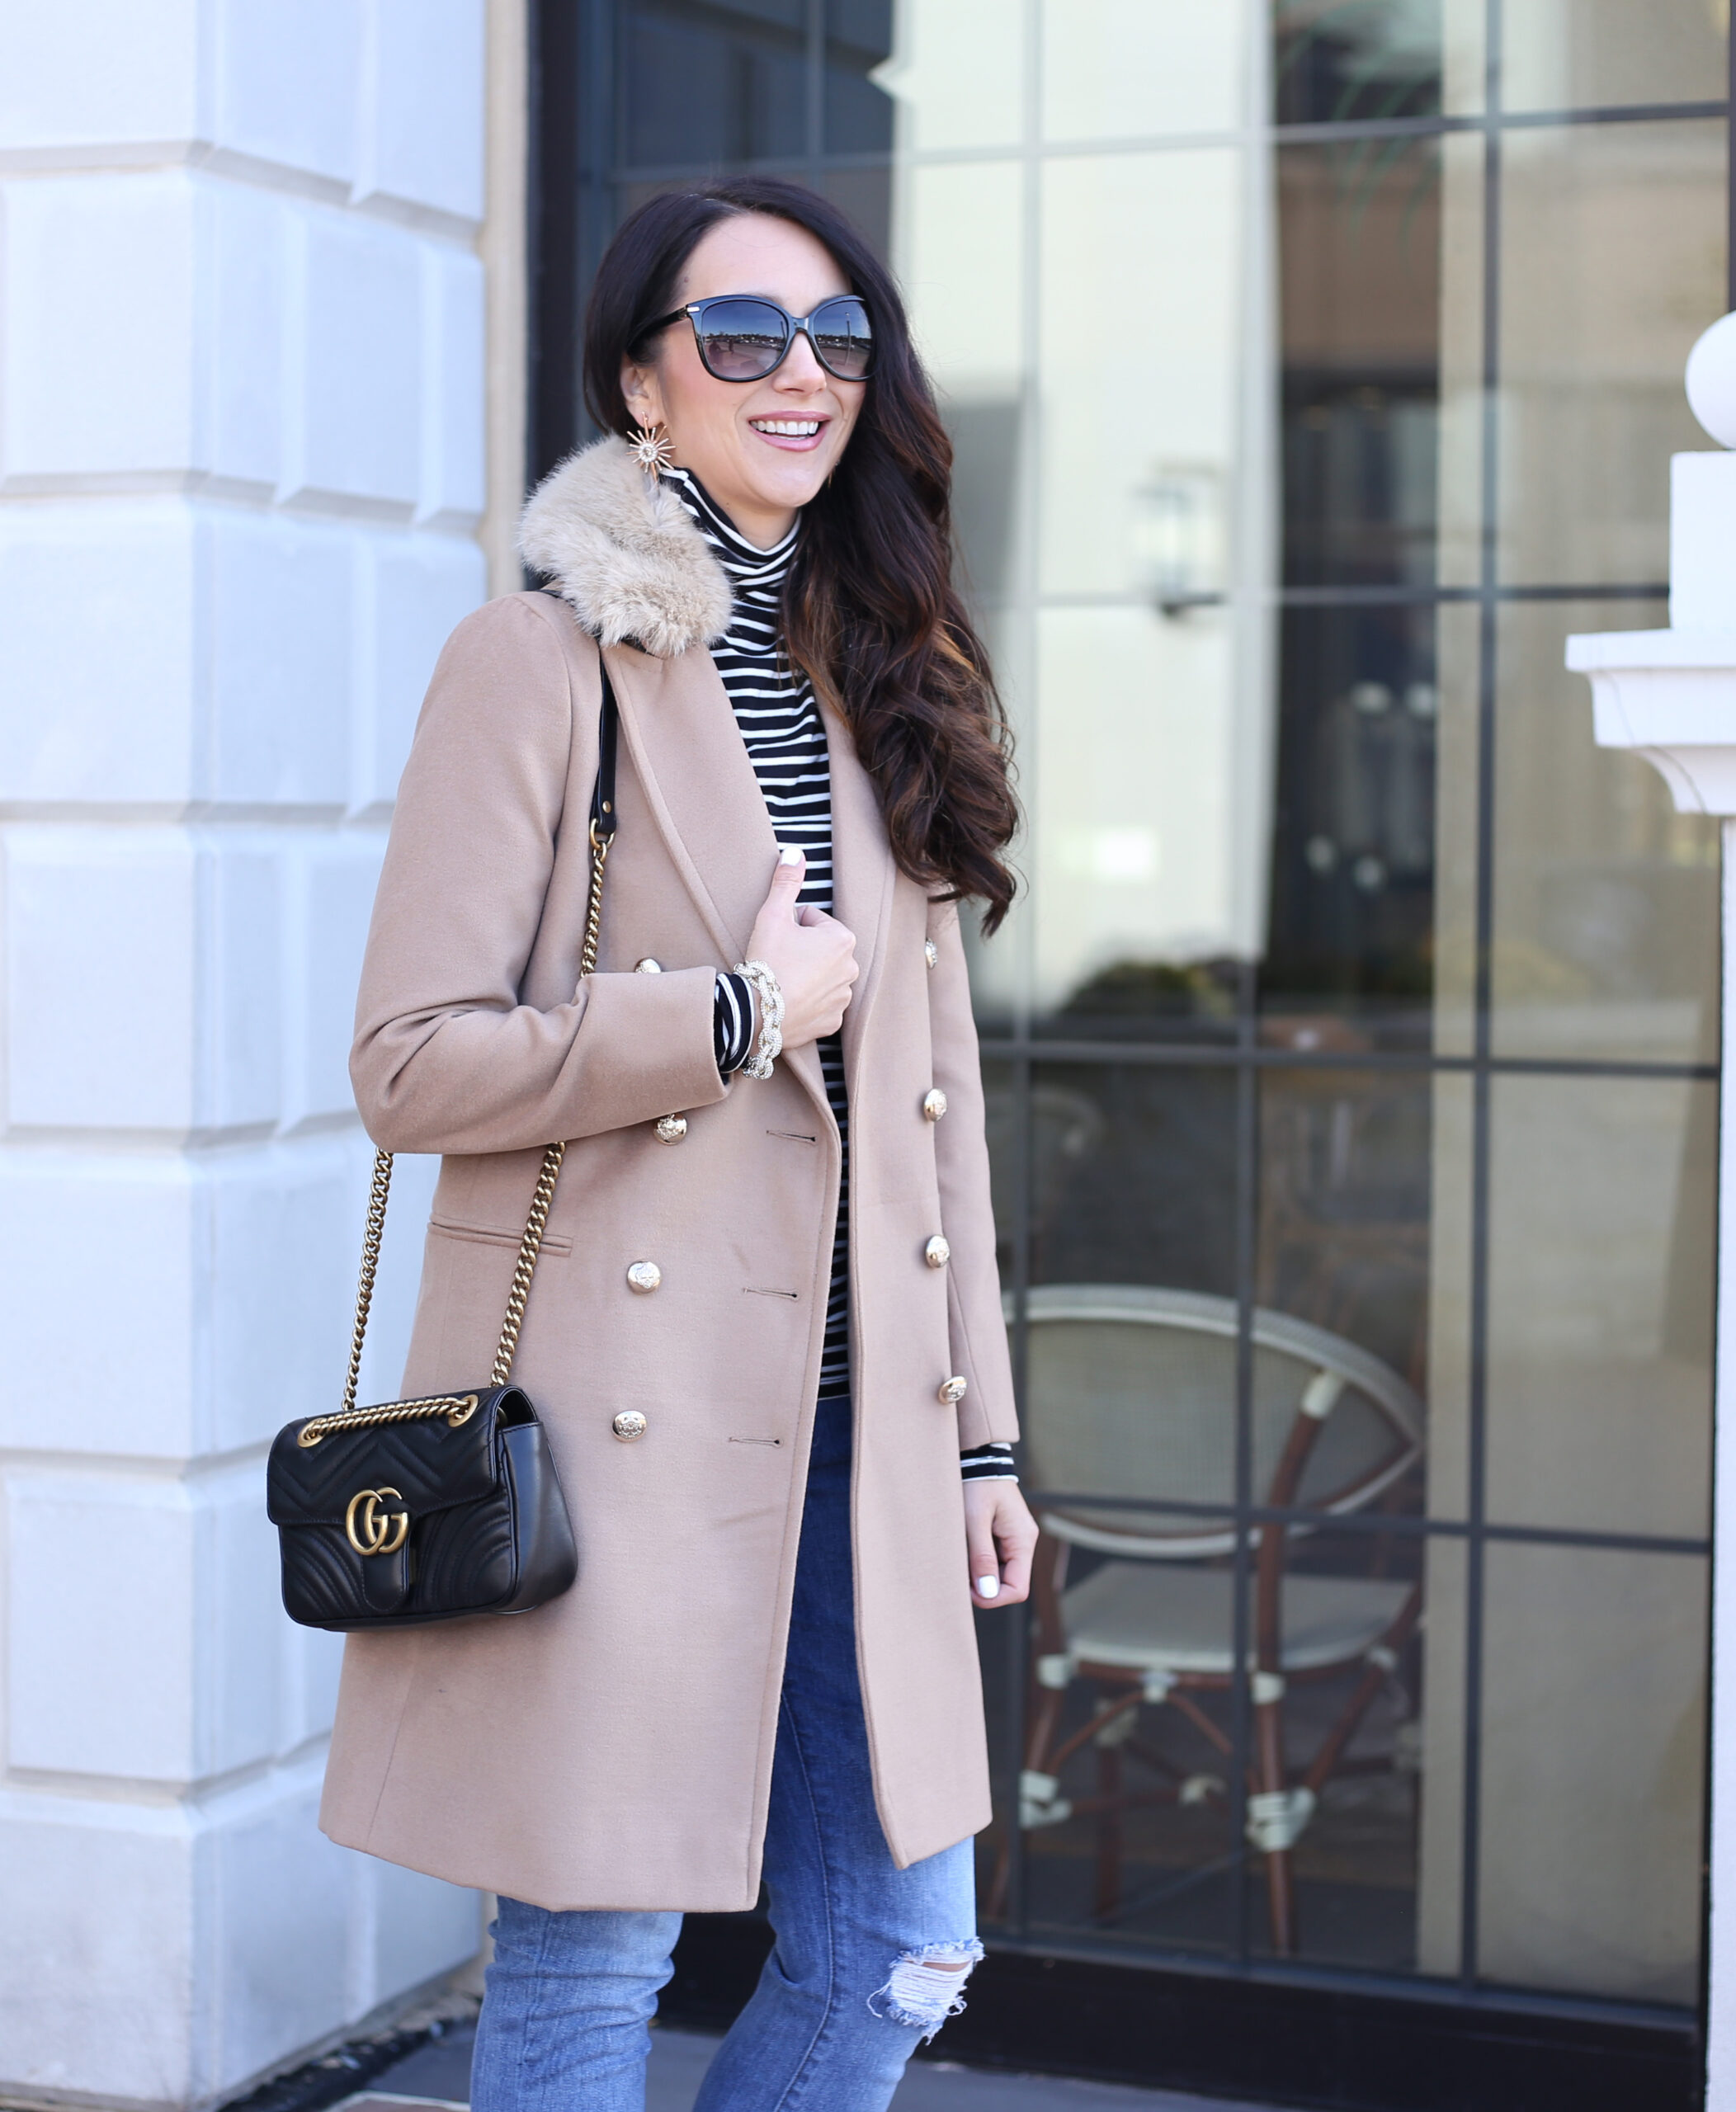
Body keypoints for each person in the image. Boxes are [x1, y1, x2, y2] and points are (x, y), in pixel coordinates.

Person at [318, 175, 1037, 2111]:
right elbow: (408, 1061)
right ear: (643, 387)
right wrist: (722, 1020)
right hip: (623, 1410)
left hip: (856, 1425)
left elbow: (928, 1112)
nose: (797, 374)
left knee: (897, 1949)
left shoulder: (880, 664)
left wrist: (975, 1428)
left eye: (835, 339)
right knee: (596, 1940)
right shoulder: (538, 664)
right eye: (740, 337)